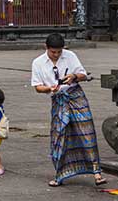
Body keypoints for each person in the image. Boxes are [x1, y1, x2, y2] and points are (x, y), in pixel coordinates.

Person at [31, 33, 106, 187]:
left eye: (59, 51)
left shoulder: (70, 56)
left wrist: (74, 76)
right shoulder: (38, 63)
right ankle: (60, 174)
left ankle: (96, 172)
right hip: (58, 98)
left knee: (87, 131)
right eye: (53, 52)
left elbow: (83, 74)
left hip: (75, 95)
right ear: (46, 48)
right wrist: (49, 88)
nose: (57, 55)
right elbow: (37, 87)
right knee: (59, 135)